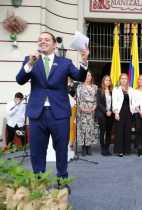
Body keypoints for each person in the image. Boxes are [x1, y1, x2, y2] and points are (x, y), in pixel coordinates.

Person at [16, 31, 89, 183]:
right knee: (37, 151)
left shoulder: (65, 63)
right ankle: (39, 182)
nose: (43, 42)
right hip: (37, 114)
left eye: (47, 39)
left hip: (59, 114)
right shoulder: (30, 60)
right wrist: (30, 63)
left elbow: (80, 77)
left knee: (61, 150)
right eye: (40, 39)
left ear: (55, 44)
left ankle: (62, 181)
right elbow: (20, 80)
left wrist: (84, 61)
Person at [76, 72, 98, 156]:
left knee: (90, 128)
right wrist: (82, 108)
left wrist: (93, 107)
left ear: (91, 77)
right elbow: (77, 99)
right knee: (82, 128)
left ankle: (88, 146)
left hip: (91, 110)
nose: (88, 77)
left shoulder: (95, 87)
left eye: (89, 75)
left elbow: (96, 99)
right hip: (82, 109)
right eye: (86, 75)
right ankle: (83, 147)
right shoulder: (79, 87)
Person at [112, 73, 134, 157]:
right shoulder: (116, 89)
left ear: (127, 80)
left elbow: (133, 101)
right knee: (119, 131)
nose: (124, 80)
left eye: (125, 78)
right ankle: (119, 150)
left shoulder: (131, 89)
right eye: (122, 78)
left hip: (129, 112)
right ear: (120, 80)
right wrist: (116, 112)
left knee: (127, 131)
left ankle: (126, 150)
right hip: (120, 111)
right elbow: (114, 102)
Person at [96, 75, 113, 156]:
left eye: (109, 80)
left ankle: (107, 148)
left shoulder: (112, 91)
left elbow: (115, 102)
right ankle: (103, 149)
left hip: (110, 114)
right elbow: (98, 103)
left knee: (109, 132)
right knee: (102, 132)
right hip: (102, 114)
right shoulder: (99, 91)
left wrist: (111, 111)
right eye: (106, 80)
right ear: (103, 81)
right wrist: (106, 111)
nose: (108, 81)